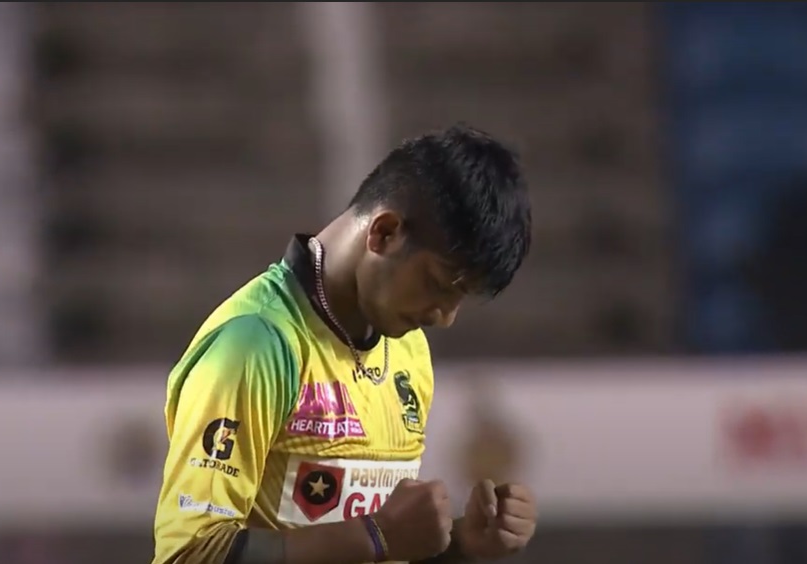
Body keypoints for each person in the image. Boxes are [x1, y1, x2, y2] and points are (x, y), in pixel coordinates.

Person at [152, 124, 537, 564]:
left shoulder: (408, 350)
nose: (444, 318)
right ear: (384, 233)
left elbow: (374, 550)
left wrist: (460, 545)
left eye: (460, 299)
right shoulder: (255, 345)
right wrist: (377, 534)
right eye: (437, 284)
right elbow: (188, 554)